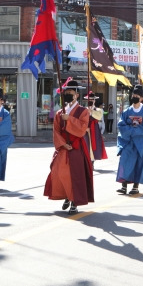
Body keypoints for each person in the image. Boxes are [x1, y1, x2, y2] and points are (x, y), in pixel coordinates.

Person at [44, 80, 94, 215]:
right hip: (63, 147)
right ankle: (66, 195)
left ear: (77, 95)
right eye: (66, 93)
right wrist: (62, 143)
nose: (67, 95)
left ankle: (74, 203)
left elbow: (82, 129)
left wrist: (70, 119)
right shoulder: (60, 112)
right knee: (58, 172)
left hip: (77, 147)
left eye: (70, 93)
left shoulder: (83, 111)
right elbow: (56, 130)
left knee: (75, 176)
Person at [116, 85, 143, 195]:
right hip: (128, 142)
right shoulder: (126, 111)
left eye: (137, 95)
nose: (135, 97)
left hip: (140, 143)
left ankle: (136, 186)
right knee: (124, 162)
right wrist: (132, 130)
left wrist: (131, 130)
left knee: (138, 164)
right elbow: (121, 125)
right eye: (133, 95)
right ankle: (124, 185)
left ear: (141, 98)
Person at [83, 92, 107, 167]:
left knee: (94, 145)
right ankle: (87, 162)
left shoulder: (98, 110)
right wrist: (84, 127)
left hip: (95, 130)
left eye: (92, 100)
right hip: (85, 130)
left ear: (94, 101)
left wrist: (92, 112)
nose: (90, 101)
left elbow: (99, 117)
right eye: (89, 99)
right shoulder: (83, 110)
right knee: (86, 145)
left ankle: (92, 162)